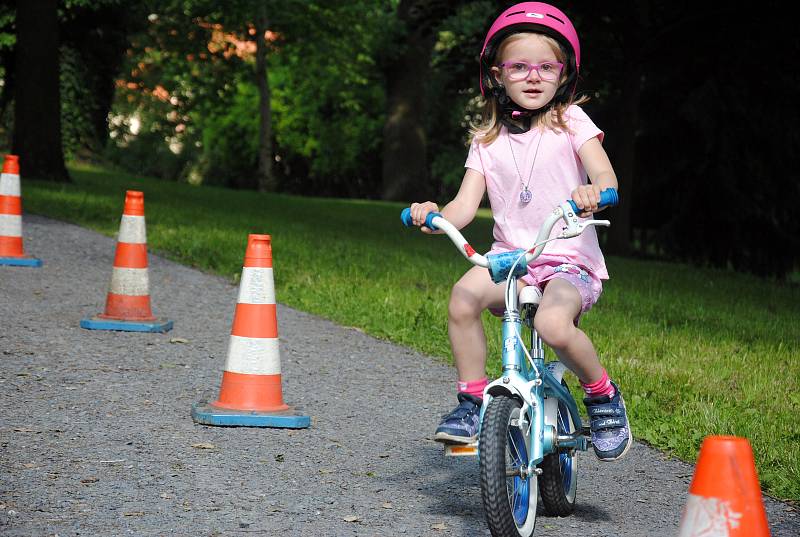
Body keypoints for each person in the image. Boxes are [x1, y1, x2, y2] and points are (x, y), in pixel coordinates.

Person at [408, 2, 631, 461]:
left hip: (569, 260)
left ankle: (603, 395)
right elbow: (463, 208)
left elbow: (607, 180)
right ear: (496, 74)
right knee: (462, 298)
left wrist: (594, 192)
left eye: (547, 66)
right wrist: (434, 215)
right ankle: (471, 403)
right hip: (514, 259)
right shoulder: (487, 141)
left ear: (564, 73)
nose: (533, 76)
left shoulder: (572, 123)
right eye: (520, 66)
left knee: (552, 323)